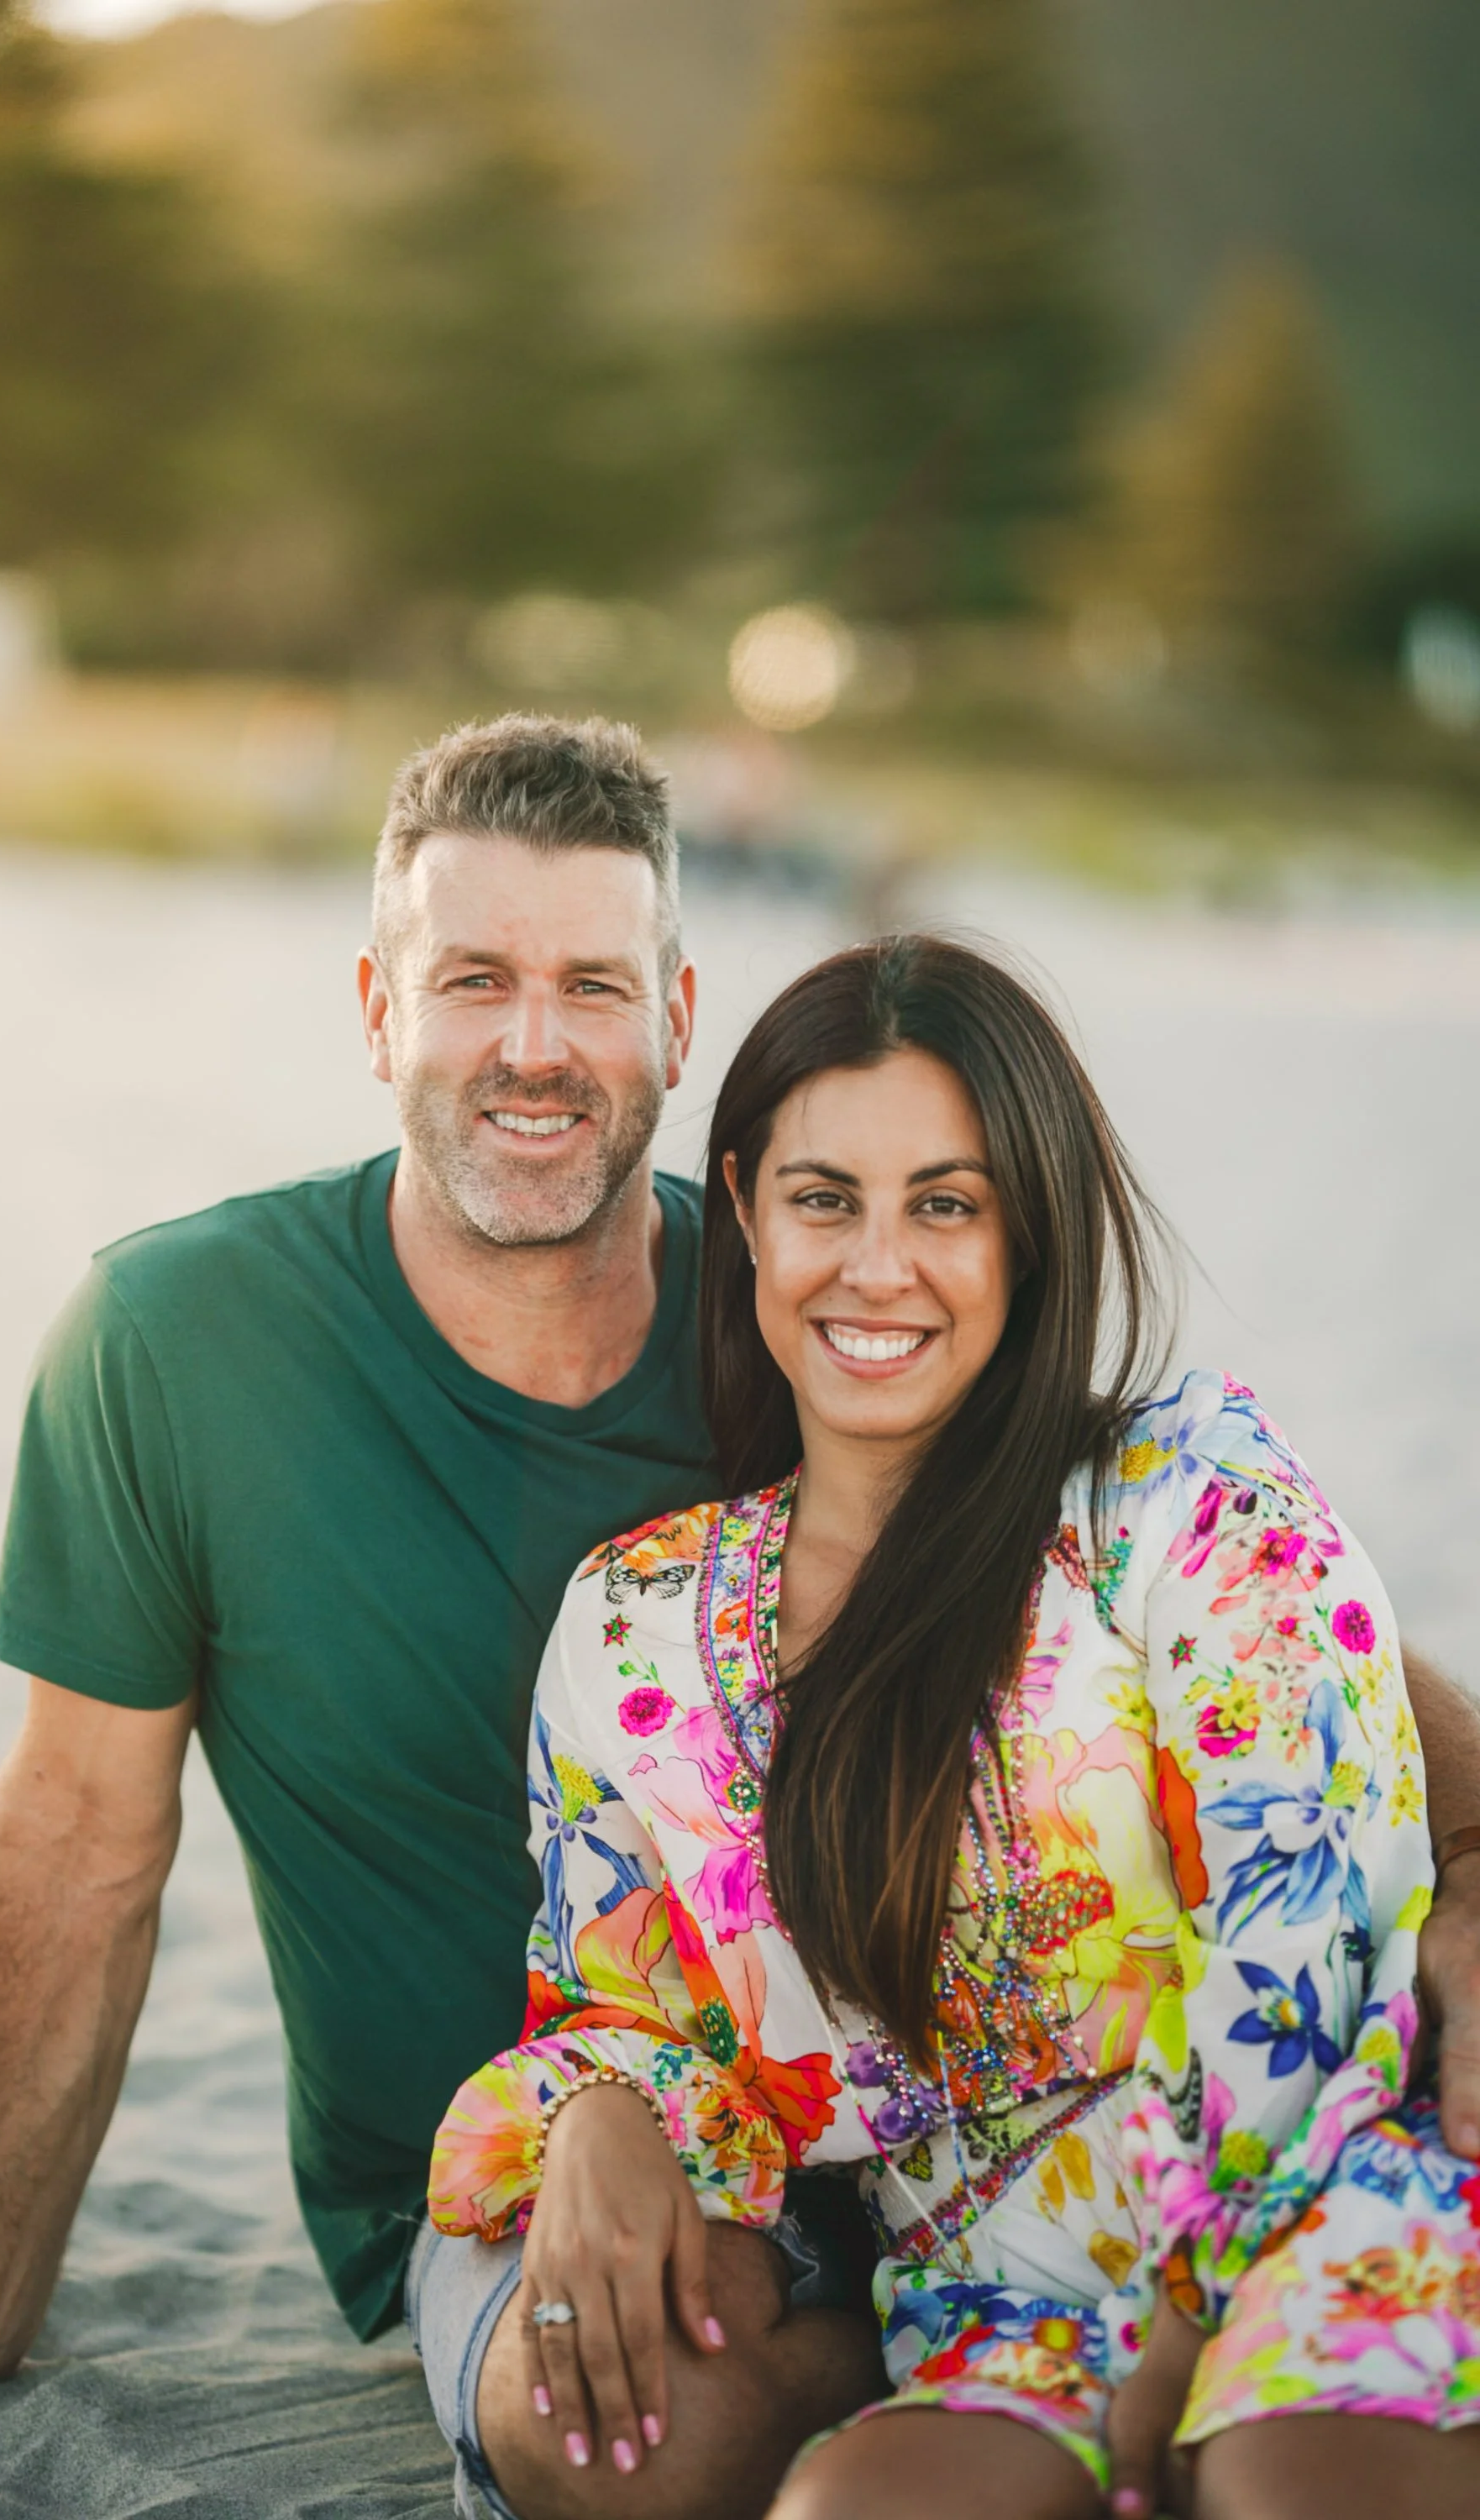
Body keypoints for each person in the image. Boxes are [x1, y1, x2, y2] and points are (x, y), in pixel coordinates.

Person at [0, 724, 1476, 2517]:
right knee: (617, 2434)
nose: (535, 1046)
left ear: (677, 1024)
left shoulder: (980, 1393)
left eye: (593, 985)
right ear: (379, 1008)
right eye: (474, 981)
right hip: (753, 2203)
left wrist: (1478, 1868)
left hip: (1180, 2188)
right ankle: (916, 2384)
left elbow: (1316, 1696)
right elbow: (86, 1832)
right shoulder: (258, 1392)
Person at [428, 935, 1480, 2520]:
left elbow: (1318, 1928)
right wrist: (598, 2112)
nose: (877, 1266)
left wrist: (1191, 2322)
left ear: (1028, 1236)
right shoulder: (634, 1628)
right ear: (746, 1212)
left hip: (1317, 2192)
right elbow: (630, 2003)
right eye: (825, 1198)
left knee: (1280, 2481)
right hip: (995, 2301)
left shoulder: (1183, 1504)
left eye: (946, 1203)